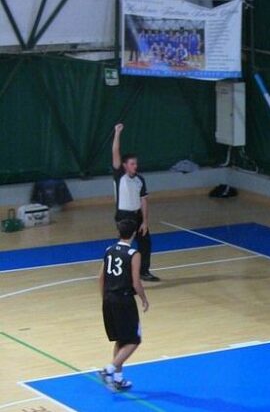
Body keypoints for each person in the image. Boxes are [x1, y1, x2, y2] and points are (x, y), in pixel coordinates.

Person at [98, 219, 149, 392]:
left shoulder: (109, 250)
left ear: (118, 232)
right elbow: (136, 282)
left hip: (109, 299)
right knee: (134, 339)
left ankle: (118, 379)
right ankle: (109, 369)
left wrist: (104, 298)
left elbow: (101, 277)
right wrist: (144, 298)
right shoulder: (134, 254)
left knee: (121, 339)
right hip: (124, 300)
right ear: (134, 233)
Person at [112, 123, 159, 281]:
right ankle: (120, 273)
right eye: (132, 164)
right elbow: (116, 152)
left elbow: (144, 200)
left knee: (146, 243)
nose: (135, 166)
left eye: (136, 163)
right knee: (124, 245)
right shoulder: (120, 176)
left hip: (137, 215)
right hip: (124, 216)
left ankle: (143, 271)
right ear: (125, 166)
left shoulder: (140, 180)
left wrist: (145, 221)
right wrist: (117, 133)